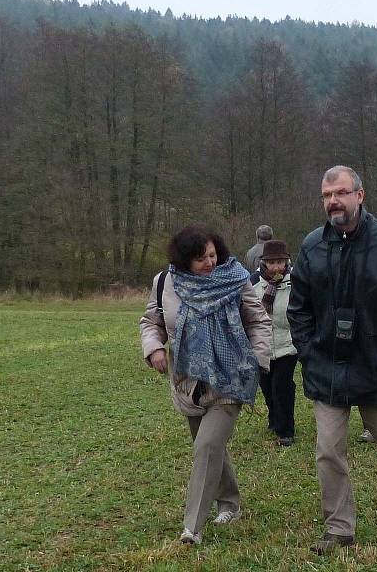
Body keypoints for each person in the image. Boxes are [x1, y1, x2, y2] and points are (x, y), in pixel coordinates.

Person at [287, 165, 377, 555]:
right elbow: (297, 309)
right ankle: (339, 527)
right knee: (328, 449)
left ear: (360, 196)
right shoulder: (313, 245)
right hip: (327, 366)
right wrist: (310, 352)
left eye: (341, 193)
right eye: (327, 195)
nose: (333, 201)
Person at [140, 226, 272, 544]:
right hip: (188, 381)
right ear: (184, 260)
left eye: (212, 255)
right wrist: (154, 347)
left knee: (207, 445)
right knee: (210, 445)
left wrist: (258, 359)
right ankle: (230, 503)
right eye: (200, 259)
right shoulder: (165, 283)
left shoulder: (235, 278)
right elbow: (151, 322)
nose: (209, 263)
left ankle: (193, 527)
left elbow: (258, 320)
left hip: (231, 376)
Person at [251, 239, 298, 447]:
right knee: (267, 387)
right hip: (262, 345)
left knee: (282, 386)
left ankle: (286, 430)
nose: (277, 267)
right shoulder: (253, 283)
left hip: (288, 344)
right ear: (264, 264)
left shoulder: (296, 282)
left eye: (280, 262)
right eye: (272, 262)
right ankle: (274, 418)